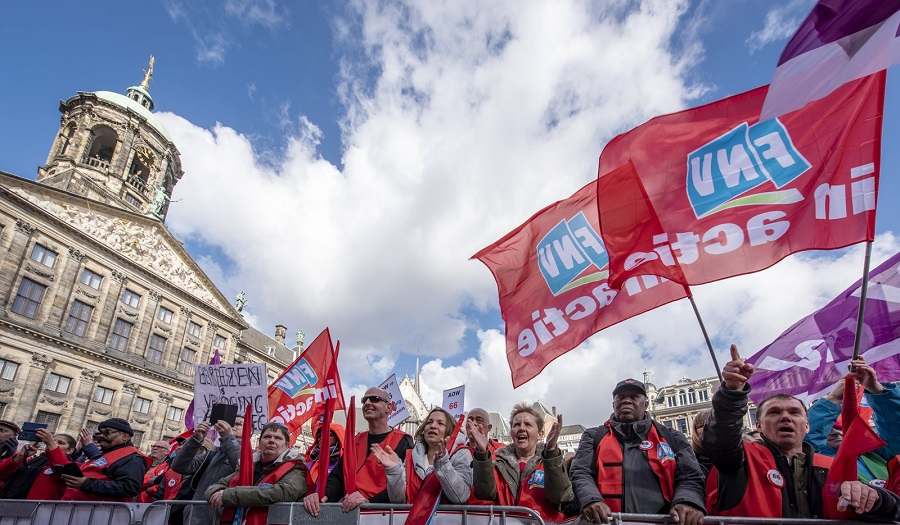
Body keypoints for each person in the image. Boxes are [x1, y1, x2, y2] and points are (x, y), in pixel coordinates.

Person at [703, 345, 900, 519]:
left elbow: (891, 509)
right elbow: (720, 437)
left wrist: (876, 498)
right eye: (774, 412)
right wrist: (731, 392)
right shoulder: (739, 460)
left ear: (807, 425)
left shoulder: (834, 467)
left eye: (794, 412)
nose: (785, 417)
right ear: (759, 426)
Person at [570, 379, 706, 525]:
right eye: (620, 397)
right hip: (605, 522)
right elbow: (580, 472)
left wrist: (687, 501)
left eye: (634, 397)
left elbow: (691, 476)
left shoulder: (672, 437)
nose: (626, 401)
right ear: (613, 404)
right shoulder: (594, 436)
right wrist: (591, 499)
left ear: (646, 404)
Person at [303, 387, 414, 515]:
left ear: (388, 408)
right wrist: (322, 496)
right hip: (350, 511)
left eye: (374, 399)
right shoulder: (356, 440)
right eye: (364, 400)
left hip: (382, 514)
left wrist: (369, 502)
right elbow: (338, 477)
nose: (367, 403)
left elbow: (404, 487)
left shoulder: (403, 440)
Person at [806, 357, 900, 483]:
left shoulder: (874, 453)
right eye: (829, 427)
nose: (836, 432)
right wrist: (833, 399)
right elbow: (804, 445)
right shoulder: (812, 462)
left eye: (841, 427)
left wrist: (876, 389)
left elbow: (896, 432)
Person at [472, 403, 572, 522]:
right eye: (516, 424)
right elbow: (484, 493)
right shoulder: (497, 463)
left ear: (540, 434)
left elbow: (561, 496)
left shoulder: (552, 461)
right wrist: (482, 454)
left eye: (528, 424)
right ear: (511, 433)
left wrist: (551, 452)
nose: (521, 428)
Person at [206, 422, 307, 525]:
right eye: (267, 436)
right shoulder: (248, 465)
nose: (271, 440)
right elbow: (214, 487)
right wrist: (217, 494)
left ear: (287, 445)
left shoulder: (296, 468)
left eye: (278, 438)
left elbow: (282, 493)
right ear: (260, 443)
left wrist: (229, 495)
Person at [372, 407, 472, 503]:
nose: (433, 426)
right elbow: (397, 500)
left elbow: (461, 496)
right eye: (429, 422)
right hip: (413, 520)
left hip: (446, 520)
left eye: (440, 423)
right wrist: (394, 471)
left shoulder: (461, 453)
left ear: (450, 431)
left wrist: (443, 464)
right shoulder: (410, 456)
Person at [170, 417, 243, 525]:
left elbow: (241, 466)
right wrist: (196, 439)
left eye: (238, 423)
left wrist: (228, 438)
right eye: (231, 422)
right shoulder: (212, 455)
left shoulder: (253, 456)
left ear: (249, 431)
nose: (232, 426)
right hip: (194, 519)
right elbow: (178, 466)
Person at [60, 418, 150, 501]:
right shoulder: (105, 454)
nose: (101, 436)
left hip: (100, 513)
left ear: (125, 436)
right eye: (100, 432)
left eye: (107, 432)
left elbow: (129, 488)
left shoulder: (132, 457)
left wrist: (86, 484)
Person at [0, 429, 76, 499]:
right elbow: (2, 474)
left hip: (38, 510)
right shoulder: (30, 461)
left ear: (70, 450)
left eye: (61, 443)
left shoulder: (72, 466)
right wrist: (19, 456)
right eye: (53, 441)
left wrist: (51, 443)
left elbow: (61, 469)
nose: (55, 444)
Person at [305, 421, 345, 494]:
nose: (322, 438)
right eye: (320, 436)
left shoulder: (344, 464)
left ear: (339, 438)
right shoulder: (308, 465)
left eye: (329, 435)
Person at [691, 410, 713, 480]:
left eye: (710, 424)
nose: (706, 428)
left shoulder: (731, 454)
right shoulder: (690, 460)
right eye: (701, 426)